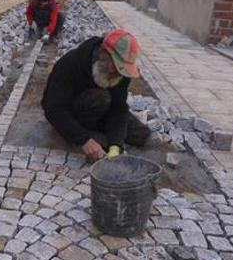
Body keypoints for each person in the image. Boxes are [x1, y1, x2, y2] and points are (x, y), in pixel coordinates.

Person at [41, 29, 151, 162]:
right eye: (116, 66)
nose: (118, 73)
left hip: (100, 112)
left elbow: (118, 109)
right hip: (72, 113)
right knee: (101, 97)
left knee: (140, 135)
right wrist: (84, 140)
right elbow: (53, 109)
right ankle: (78, 134)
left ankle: (99, 136)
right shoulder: (70, 63)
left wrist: (115, 147)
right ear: (103, 53)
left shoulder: (120, 74)